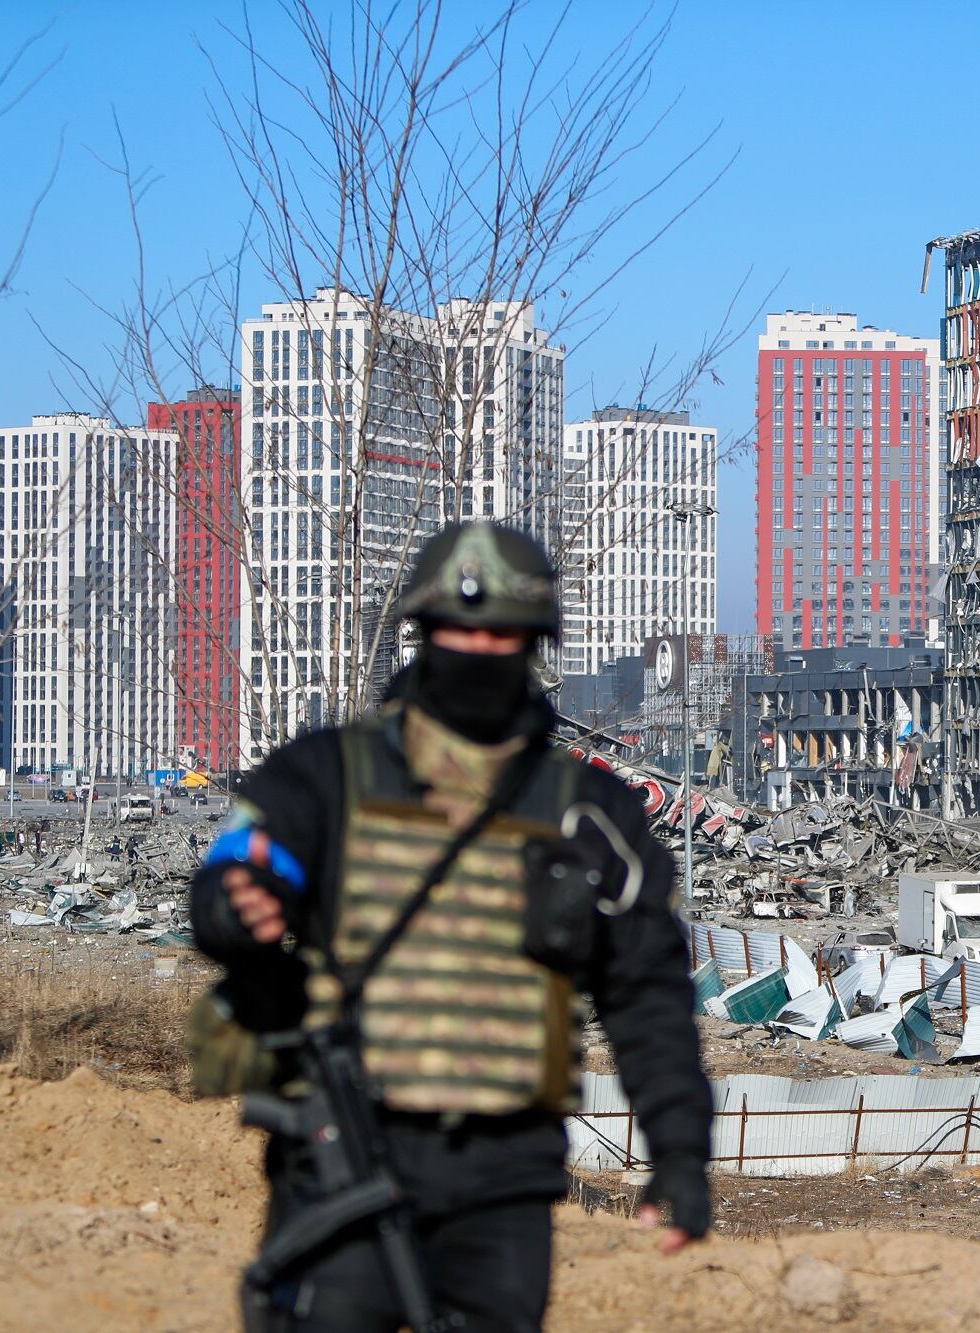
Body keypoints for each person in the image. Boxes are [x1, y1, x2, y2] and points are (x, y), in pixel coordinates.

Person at [190, 521, 713, 1332]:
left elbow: (647, 992)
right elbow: (243, 866)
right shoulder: (329, 773)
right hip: (345, 1153)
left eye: (500, 631)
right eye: (457, 628)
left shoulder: (591, 812)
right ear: (424, 632)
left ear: (533, 644)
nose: (477, 645)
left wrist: (680, 1154)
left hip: (503, 1179)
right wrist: (237, 903)